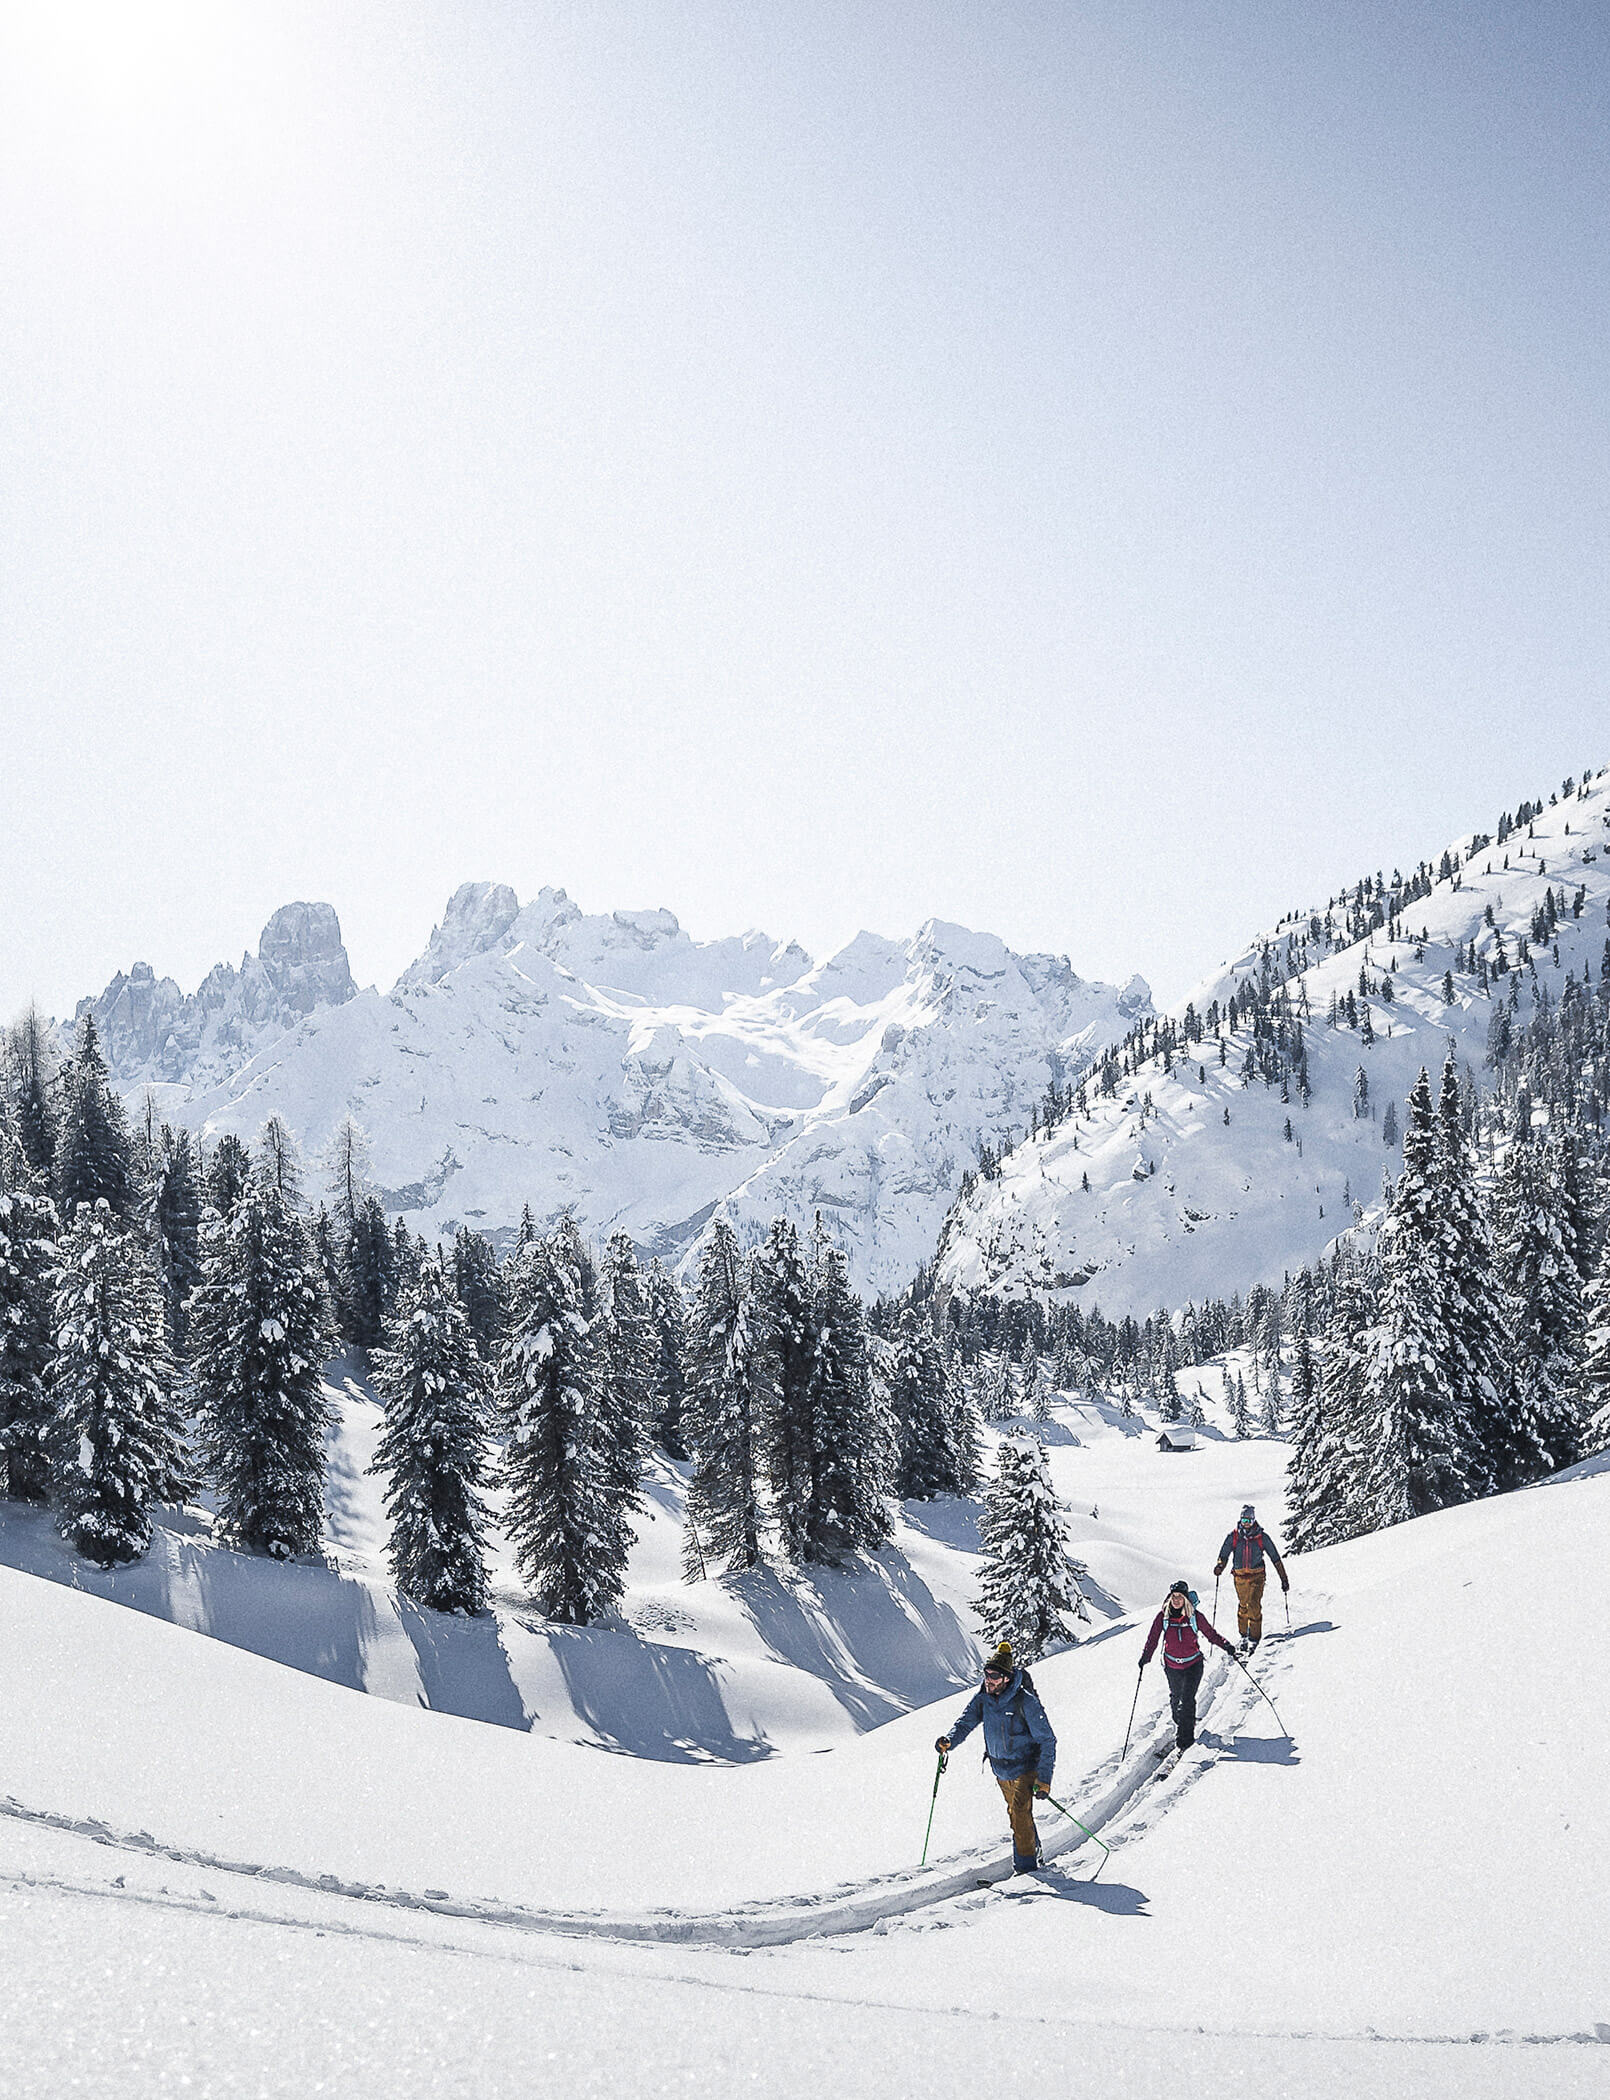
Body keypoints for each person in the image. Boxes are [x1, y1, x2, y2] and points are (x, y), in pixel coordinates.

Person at [934, 1641, 1056, 1874]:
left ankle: (1026, 1870)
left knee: (1019, 1814)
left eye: (995, 1676)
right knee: (1017, 1816)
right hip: (1000, 1769)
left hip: (1026, 1766)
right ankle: (1034, 1851)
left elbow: (1048, 1739)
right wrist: (948, 1741)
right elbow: (965, 1722)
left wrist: (1044, 1779)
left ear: (1007, 1678)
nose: (988, 1680)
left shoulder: (1025, 1701)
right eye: (987, 1674)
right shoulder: (983, 1699)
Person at [1138, 1579, 1235, 1751]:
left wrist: (1226, 1645)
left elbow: (1211, 1634)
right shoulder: (1163, 1617)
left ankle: (1185, 1741)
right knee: (1176, 1700)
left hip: (1193, 1665)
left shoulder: (1195, 1617)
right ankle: (1184, 1722)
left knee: (1187, 1701)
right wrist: (1146, 1657)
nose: (1176, 1600)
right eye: (1174, 1596)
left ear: (1185, 1599)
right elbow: (1153, 1639)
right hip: (1172, 1666)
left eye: (1180, 1597)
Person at [1213, 1504, 1289, 1651]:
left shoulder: (1262, 1537)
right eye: (1244, 1520)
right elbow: (1224, 1554)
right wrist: (1220, 1566)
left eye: (1248, 1520)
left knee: (1254, 1605)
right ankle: (1243, 1636)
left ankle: (1254, 1638)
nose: (1246, 1523)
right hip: (1240, 1577)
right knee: (1243, 1606)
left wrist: (1283, 1579)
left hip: (1257, 1576)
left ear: (1254, 1520)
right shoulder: (1234, 1536)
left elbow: (1275, 1557)